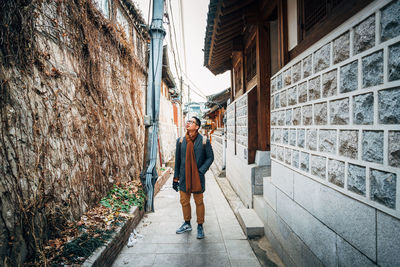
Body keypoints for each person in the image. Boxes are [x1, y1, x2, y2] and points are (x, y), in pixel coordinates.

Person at [172, 116, 214, 239]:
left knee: (199, 201)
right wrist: (175, 178)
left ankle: (200, 225)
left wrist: (201, 171)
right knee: (184, 201)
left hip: (197, 178)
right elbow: (178, 161)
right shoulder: (180, 141)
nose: (188, 123)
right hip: (184, 176)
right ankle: (187, 223)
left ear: (197, 126)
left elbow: (210, 157)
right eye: (187, 121)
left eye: (191, 122)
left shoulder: (204, 141)